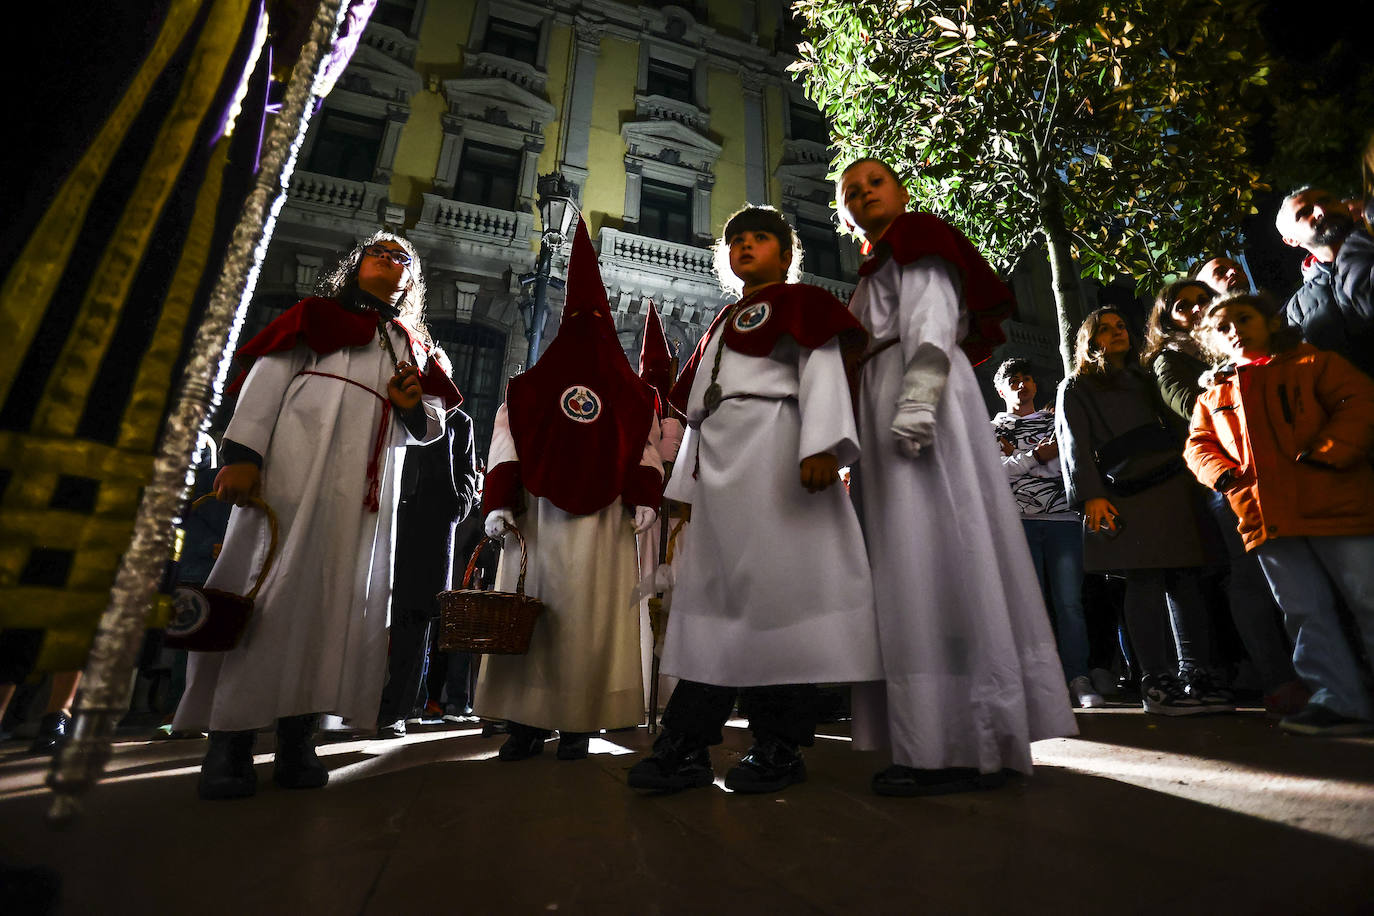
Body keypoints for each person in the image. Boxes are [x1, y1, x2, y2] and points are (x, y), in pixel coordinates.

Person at [173, 232, 461, 799]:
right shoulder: (316, 316)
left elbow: (431, 425)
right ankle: (228, 742)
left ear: (412, 281)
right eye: (379, 251)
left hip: (360, 501)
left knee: (334, 606)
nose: (391, 260)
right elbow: (264, 384)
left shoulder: (413, 343)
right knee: (266, 597)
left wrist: (410, 409)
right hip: (289, 480)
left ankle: (297, 739)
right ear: (356, 264)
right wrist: (242, 457)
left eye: (403, 258)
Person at [836, 158, 1076, 797]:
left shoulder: (918, 239)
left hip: (922, 405)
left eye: (874, 182)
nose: (862, 195)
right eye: (850, 191)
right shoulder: (877, 264)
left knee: (936, 552)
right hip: (889, 403)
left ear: (902, 190)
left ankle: (960, 743)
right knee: (910, 561)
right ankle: (941, 738)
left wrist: (916, 404)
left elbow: (932, 325)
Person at [627, 205, 882, 795]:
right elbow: (700, 410)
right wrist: (685, 489)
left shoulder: (802, 305)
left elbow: (821, 365)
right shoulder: (721, 321)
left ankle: (778, 745)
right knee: (714, 607)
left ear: (787, 254)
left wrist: (822, 444)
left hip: (778, 455)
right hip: (722, 475)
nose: (745, 246)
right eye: (736, 240)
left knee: (777, 606)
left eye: (760, 238)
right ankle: (688, 746)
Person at [478, 219, 663, 762]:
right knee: (537, 618)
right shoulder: (533, 386)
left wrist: (646, 495)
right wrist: (498, 503)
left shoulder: (633, 394)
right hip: (538, 522)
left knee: (584, 622)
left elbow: (645, 448)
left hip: (600, 524)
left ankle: (579, 722)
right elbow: (507, 439)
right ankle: (525, 722)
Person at [1185, 292, 1374, 736]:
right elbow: (1198, 445)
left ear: (1270, 322)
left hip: (1338, 505)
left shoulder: (1314, 364)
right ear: (1214, 342)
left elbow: (1361, 402)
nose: (1234, 329)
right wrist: (1226, 479)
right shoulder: (1214, 395)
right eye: (1223, 326)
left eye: (1244, 318)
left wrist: (1329, 454)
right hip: (1266, 517)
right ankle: (1337, 699)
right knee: (1303, 610)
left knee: (1368, 599)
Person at [1056, 307, 1229, 716]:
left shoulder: (1144, 379)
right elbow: (1073, 444)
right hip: (1125, 492)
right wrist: (1090, 495)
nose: (1117, 332)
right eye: (1105, 329)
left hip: (1171, 486)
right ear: (1089, 340)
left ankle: (1195, 674)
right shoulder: (1077, 385)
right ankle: (1155, 679)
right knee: (1145, 580)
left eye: (1121, 326)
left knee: (1184, 579)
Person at [1142, 281, 1301, 712]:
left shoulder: (1233, 343)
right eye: (1182, 306)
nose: (1195, 309)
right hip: (1227, 480)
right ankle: (1278, 680)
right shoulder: (1171, 359)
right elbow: (1188, 405)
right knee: (1250, 576)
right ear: (1167, 318)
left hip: (1278, 469)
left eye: (1200, 301)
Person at [991, 359, 1100, 709]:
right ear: (1001, 390)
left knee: (1070, 604)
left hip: (1063, 521)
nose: (1022, 384)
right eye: (1013, 380)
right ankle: (1038, 681)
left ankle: (1077, 678)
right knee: (1029, 605)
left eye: (1027, 378)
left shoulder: (1056, 420)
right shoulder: (990, 429)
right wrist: (1037, 455)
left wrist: (1021, 460)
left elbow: (1063, 467)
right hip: (1017, 523)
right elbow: (994, 474)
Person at [376, 376, 479, 739]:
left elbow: (469, 475)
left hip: (429, 529)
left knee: (414, 618)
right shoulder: (390, 408)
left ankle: (398, 710)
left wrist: (456, 505)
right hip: (385, 516)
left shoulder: (459, 421)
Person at [1275, 186, 1374, 379]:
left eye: (1327, 201)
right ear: (1290, 240)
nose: (1321, 211)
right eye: (1304, 212)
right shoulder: (1297, 310)